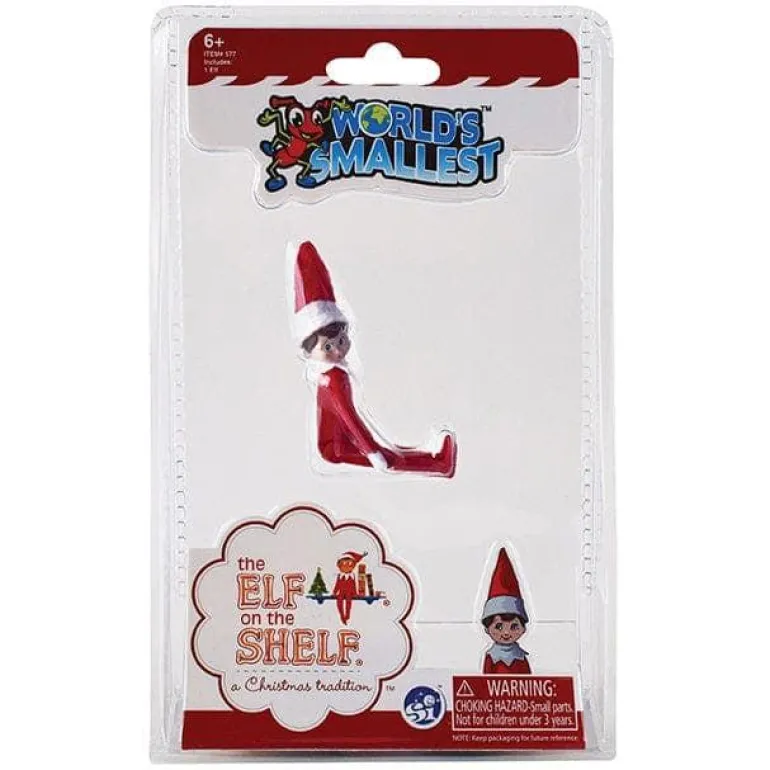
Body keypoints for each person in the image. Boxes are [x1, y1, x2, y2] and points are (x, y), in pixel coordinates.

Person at [291, 241, 457, 477]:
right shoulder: (334, 378)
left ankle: (438, 461)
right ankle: (439, 464)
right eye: (327, 346)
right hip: (336, 448)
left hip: (334, 444)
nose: (337, 351)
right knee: (390, 459)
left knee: (393, 455)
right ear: (309, 350)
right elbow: (349, 418)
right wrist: (372, 452)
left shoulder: (324, 373)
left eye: (341, 341)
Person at [481, 548, 532, 674]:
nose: (506, 632)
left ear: (523, 628)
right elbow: (485, 680)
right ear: (487, 629)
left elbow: (528, 679)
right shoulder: (491, 657)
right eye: (498, 626)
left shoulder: (520, 657)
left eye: (514, 627)